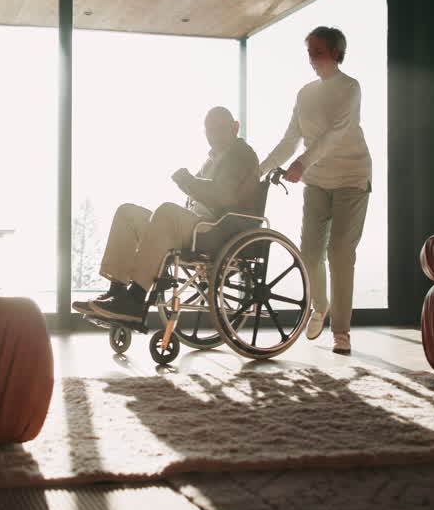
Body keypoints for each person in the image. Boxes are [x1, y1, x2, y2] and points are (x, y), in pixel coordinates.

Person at [74, 106, 259, 324]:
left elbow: (222, 197)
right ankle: (117, 291)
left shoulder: (241, 155)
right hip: (196, 225)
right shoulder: (212, 159)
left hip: (218, 228)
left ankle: (136, 297)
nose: (214, 136)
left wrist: (188, 181)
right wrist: (190, 184)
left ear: (235, 127)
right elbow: (198, 195)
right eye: (210, 131)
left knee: (167, 211)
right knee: (128, 213)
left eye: (220, 129)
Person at [258, 26, 371, 354]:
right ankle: (320, 307)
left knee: (339, 253)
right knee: (309, 253)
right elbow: (290, 138)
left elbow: (336, 133)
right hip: (318, 181)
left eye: (318, 52)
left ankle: (341, 331)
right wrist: (258, 170)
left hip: (352, 177)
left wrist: (301, 164)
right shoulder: (304, 93)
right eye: (309, 52)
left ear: (337, 53)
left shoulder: (350, 88)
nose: (312, 59)